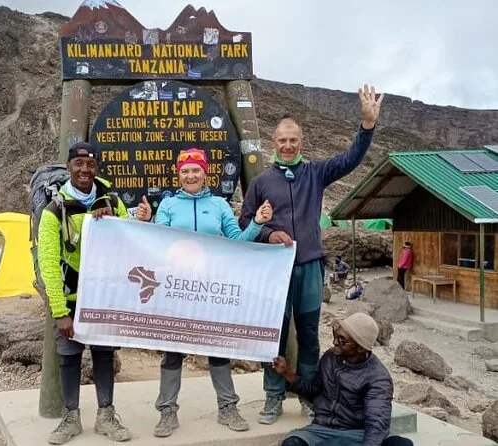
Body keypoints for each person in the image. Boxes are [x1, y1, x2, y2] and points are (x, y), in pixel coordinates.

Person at [239, 85, 384, 424]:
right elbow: (245, 220)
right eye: (282, 140)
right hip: (274, 270)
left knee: (308, 336)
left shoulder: (316, 173)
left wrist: (367, 126)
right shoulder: (261, 182)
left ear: (300, 142)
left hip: (309, 266)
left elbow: (350, 159)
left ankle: (307, 394)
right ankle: (273, 396)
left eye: (293, 140)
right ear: (274, 142)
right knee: (273, 335)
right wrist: (268, 233)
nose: (288, 145)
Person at [135, 147, 273, 438]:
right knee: (173, 352)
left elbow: (237, 241)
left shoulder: (219, 205)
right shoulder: (169, 205)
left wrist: (257, 223)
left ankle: (227, 407)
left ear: (205, 173)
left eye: (196, 170)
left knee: (217, 348)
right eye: (185, 171)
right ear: (179, 175)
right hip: (177, 290)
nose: (190, 175)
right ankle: (167, 411)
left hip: (210, 289)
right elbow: (158, 242)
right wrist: (145, 223)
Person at [38, 142, 132, 445]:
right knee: (69, 358)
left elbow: (131, 240)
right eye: (78, 164)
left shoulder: (112, 201)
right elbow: (48, 264)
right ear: (69, 167)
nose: (84, 170)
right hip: (71, 300)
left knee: (104, 355)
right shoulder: (54, 211)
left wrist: (116, 220)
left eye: (90, 164)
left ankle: (106, 415)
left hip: (103, 297)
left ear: (97, 168)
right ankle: (71, 417)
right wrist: (59, 312)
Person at [272, 312, 413, 446]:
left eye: (342, 340)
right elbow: (314, 391)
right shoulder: (330, 357)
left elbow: (377, 425)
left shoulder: (378, 378)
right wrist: (287, 373)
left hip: (358, 432)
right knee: (292, 443)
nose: (334, 342)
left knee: (400, 444)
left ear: (360, 348)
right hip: (323, 430)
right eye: (335, 335)